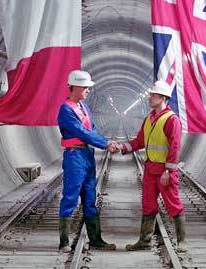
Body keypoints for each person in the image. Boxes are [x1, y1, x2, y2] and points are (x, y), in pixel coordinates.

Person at [117, 80, 187, 252]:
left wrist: (169, 171)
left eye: (153, 95)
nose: (150, 97)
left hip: (164, 171)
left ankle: (182, 242)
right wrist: (123, 147)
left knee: (173, 204)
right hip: (150, 170)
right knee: (148, 205)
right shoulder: (149, 119)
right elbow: (140, 141)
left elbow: (175, 147)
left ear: (163, 97)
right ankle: (144, 241)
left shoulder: (172, 120)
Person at [57, 69, 119, 252]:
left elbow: (92, 129)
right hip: (74, 157)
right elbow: (81, 132)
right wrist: (106, 143)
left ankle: (96, 239)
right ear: (74, 86)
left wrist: (104, 142)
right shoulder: (66, 109)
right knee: (70, 197)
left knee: (90, 198)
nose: (88, 90)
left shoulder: (84, 107)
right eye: (85, 87)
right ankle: (64, 242)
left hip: (87, 155)